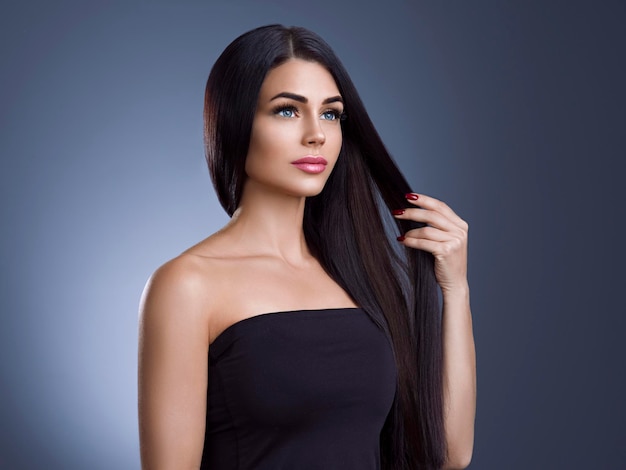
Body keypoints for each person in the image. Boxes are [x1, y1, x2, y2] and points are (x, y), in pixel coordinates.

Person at [138, 24, 475, 470]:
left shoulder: (364, 276)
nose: (316, 134)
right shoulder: (187, 285)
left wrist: (455, 290)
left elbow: (450, 453)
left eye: (331, 114)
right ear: (237, 122)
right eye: (286, 111)